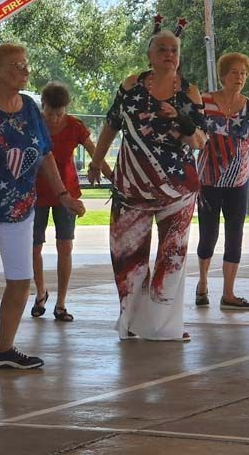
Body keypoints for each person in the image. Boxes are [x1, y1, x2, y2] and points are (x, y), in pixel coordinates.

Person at [0, 43, 85, 374]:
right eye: (16, 66)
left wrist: (63, 195)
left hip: (21, 207)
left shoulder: (31, 109)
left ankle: (3, 350)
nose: (24, 71)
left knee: (21, 280)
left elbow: (45, 154)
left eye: (25, 65)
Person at [88, 27, 206, 342]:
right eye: (163, 49)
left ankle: (165, 326)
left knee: (172, 257)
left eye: (174, 50)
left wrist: (181, 119)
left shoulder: (189, 92)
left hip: (177, 189)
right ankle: (133, 321)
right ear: (150, 56)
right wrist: (97, 160)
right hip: (131, 187)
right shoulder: (130, 87)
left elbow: (200, 140)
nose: (169, 54)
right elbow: (112, 124)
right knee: (127, 257)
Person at [195, 53, 249, 310]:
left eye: (243, 74)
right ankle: (203, 282)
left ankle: (229, 292)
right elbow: (190, 133)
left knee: (235, 234)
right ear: (223, 75)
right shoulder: (205, 101)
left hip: (239, 181)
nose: (239, 78)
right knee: (208, 234)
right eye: (235, 72)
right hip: (208, 180)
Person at [30, 82, 111, 322]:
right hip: (36, 193)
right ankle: (41, 292)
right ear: (42, 107)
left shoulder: (75, 126)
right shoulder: (33, 126)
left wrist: (112, 178)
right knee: (34, 247)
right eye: (49, 113)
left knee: (65, 246)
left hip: (68, 195)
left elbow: (95, 152)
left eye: (59, 113)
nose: (54, 119)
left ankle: (61, 303)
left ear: (66, 109)